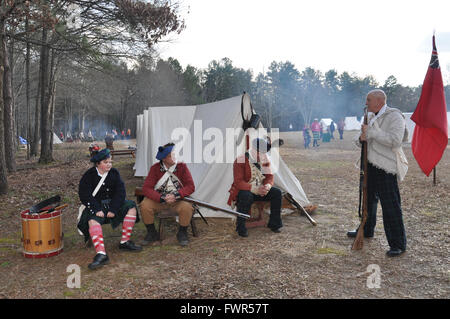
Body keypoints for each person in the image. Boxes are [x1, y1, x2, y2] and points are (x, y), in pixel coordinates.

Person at [347, 89, 409, 257]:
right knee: (367, 202)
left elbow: (396, 140)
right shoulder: (370, 115)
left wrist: (371, 133)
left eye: (368, 100)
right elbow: (361, 137)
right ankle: (366, 229)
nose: (366, 103)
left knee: (390, 207)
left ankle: (398, 243)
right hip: (369, 167)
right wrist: (361, 138)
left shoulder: (394, 116)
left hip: (385, 168)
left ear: (379, 101)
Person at [78, 148, 142, 270]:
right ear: (98, 164)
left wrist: (113, 209)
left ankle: (125, 242)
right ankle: (101, 254)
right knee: (92, 221)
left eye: (110, 162)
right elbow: (84, 195)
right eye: (106, 162)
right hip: (96, 207)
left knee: (131, 207)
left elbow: (121, 192)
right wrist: (96, 209)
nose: (109, 164)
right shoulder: (88, 176)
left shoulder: (114, 173)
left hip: (113, 205)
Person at [139, 143, 195, 246]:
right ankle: (152, 233)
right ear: (164, 159)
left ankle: (182, 233)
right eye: (171, 155)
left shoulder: (182, 167)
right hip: (160, 200)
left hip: (178, 200)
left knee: (187, 207)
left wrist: (176, 195)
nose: (174, 157)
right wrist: (160, 197)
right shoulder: (155, 168)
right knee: (145, 205)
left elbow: (190, 186)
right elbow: (146, 188)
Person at [227, 138, 283, 237]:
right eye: (260, 153)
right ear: (254, 150)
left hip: (259, 190)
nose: (263, 156)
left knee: (277, 193)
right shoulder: (240, 159)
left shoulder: (264, 159)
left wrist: (267, 186)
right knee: (246, 196)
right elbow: (238, 182)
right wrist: (255, 190)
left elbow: (269, 177)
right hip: (245, 191)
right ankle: (241, 227)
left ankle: (274, 224)